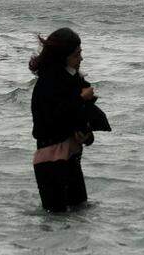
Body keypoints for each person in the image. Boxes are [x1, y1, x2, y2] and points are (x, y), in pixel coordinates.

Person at [29, 28, 110, 213]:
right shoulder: (46, 83)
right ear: (62, 56)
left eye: (80, 53)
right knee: (56, 219)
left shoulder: (73, 78)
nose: (81, 59)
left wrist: (87, 136)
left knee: (80, 213)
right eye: (76, 55)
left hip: (71, 155)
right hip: (51, 160)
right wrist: (81, 99)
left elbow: (80, 118)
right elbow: (51, 120)